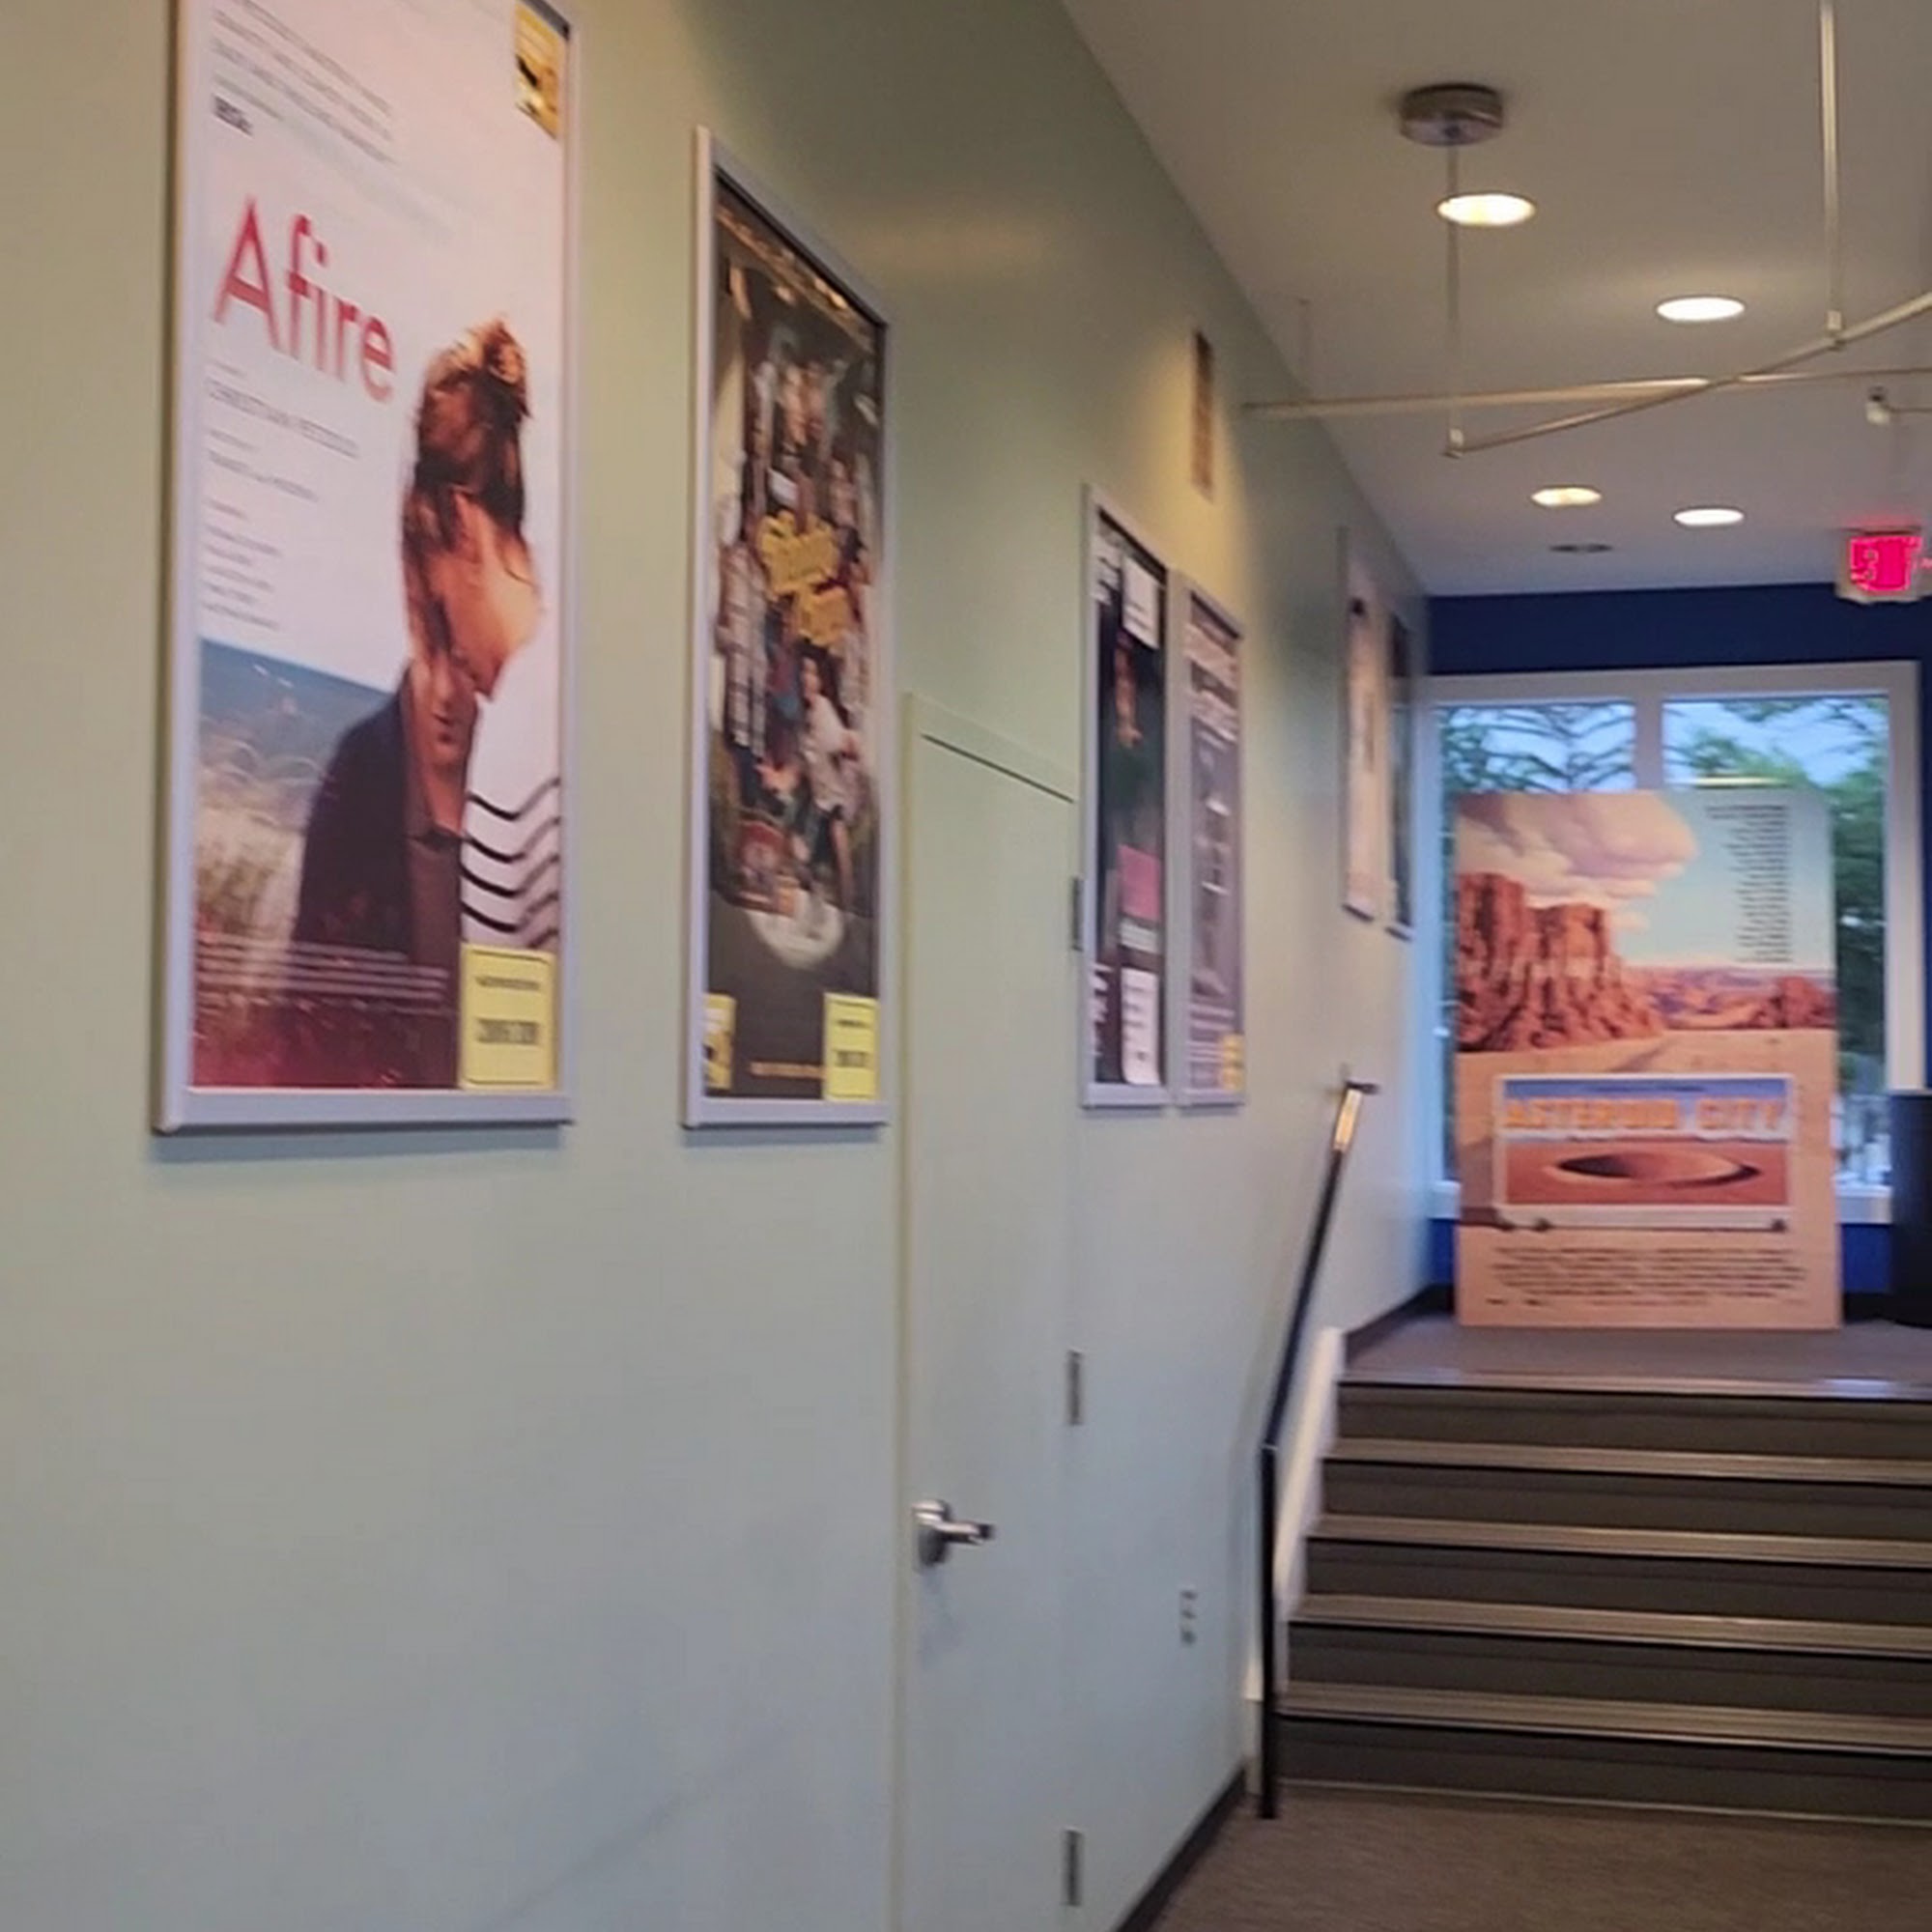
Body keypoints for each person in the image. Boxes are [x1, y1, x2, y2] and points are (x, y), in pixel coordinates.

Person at [287, 319, 539, 1085]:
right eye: (432, 645)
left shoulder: (524, 783)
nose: (451, 689)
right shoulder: (362, 777)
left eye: (464, 655)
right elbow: (305, 1038)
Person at [761, 646, 862, 918]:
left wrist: (851, 745)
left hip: (834, 803)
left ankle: (847, 909)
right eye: (804, 672)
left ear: (822, 680)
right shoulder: (806, 720)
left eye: (813, 673)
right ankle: (808, 896)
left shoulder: (824, 712)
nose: (807, 679)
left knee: (835, 839)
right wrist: (776, 778)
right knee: (797, 839)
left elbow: (843, 743)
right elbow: (798, 767)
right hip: (819, 802)